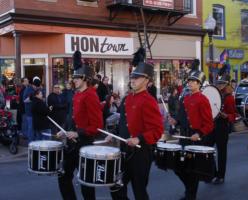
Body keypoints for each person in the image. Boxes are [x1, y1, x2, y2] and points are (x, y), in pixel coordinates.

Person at [110, 61, 164, 200]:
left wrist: (139, 138)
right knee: (116, 187)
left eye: (137, 77)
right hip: (124, 151)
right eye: (132, 77)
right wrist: (114, 134)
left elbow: (157, 130)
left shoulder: (149, 101)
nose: (132, 80)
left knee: (139, 191)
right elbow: (124, 122)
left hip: (141, 153)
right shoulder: (128, 99)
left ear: (147, 80)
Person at [56, 50, 103, 200]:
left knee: (86, 183)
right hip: (72, 145)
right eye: (73, 77)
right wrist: (65, 130)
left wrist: (78, 133)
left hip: (84, 144)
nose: (73, 80)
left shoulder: (90, 95)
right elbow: (72, 117)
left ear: (84, 78)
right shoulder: (77, 94)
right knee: (63, 176)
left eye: (76, 77)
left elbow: (97, 125)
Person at [168, 70, 214, 200]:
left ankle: (190, 195)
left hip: (196, 139)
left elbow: (209, 124)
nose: (190, 83)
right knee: (178, 168)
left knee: (192, 170)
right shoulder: (185, 98)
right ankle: (189, 190)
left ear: (199, 84)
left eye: (194, 81)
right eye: (189, 81)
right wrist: (175, 121)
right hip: (184, 138)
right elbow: (182, 116)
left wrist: (199, 133)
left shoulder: (203, 99)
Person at [208, 74, 236, 184]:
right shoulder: (213, 94)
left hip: (222, 126)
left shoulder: (229, 97)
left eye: (222, 83)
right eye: (218, 83)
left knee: (221, 152)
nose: (220, 85)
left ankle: (221, 176)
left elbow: (234, 115)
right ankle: (212, 172)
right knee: (207, 148)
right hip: (211, 126)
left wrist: (227, 116)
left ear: (226, 84)